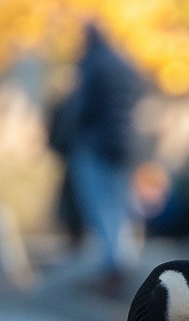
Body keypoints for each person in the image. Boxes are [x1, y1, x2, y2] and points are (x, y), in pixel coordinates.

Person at [55, 22, 143, 286]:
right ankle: (123, 260)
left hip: (95, 145)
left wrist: (67, 130)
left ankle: (112, 265)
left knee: (100, 206)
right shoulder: (124, 64)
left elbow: (81, 108)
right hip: (124, 145)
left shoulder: (92, 65)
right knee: (119, 204)